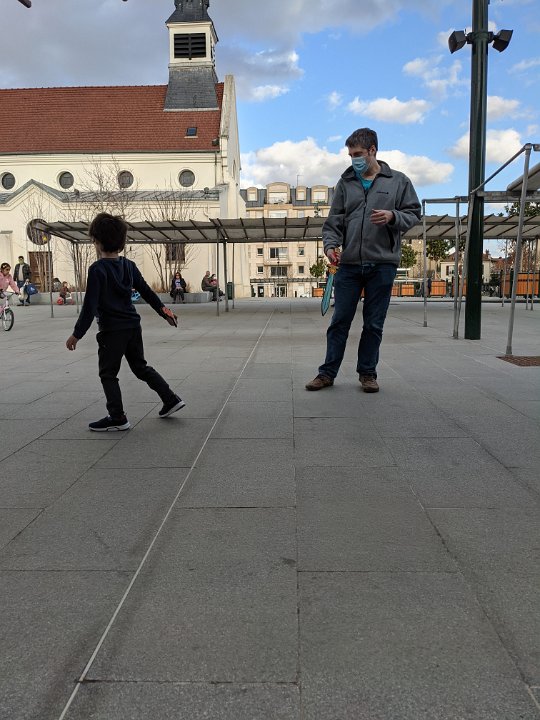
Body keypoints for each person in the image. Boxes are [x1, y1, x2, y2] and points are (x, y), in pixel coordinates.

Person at [306, 127, 421, 393]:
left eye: (358, 154)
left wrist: (393, 216)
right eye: (350, 155)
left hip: (382, 264)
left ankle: (368, 374)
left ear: (373, 150)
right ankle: (327, 373)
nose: (354, 160)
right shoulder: (346, 183)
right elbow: (333, 222)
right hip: (348, 265)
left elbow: (414, 214)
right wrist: (330, 247)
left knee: (374, 323)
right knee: (339, 321)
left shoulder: (398, 181)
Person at [65, 212, 184, 432]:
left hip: (112, 331)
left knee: (108, 373)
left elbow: (90, 306)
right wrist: (164, 311)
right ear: (122, 241)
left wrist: (76, 334)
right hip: (132, 327)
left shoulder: (97, 269)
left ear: (96, 242)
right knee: (140, 367)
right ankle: (170, 399)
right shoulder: (129, 265)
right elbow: (147, 291)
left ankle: (117, 417)